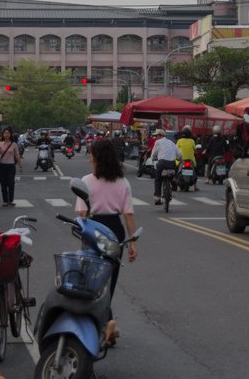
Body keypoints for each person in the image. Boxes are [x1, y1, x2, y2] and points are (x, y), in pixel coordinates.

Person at [75, 138, 138, 345]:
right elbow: (128, 215)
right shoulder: (123, 182)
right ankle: (107, 323)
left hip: (93, 230)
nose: (89, 158)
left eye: (91, 154)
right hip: (115, 232)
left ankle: (104, 324)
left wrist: (82, 231)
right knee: (109, 280)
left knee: (91, 279)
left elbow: (81, 213)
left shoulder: (86, 180)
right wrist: (132, 243)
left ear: (97, 158)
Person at [150, 129, 181, 205]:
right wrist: (179, 158)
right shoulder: (172, 143)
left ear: (161, 136)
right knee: (174, 174)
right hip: (172, 163)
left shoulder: (158, 142)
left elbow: (154, 154)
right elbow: (179, 155)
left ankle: (157, 198)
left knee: (158, 179)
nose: (156, 137)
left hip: (162, 163)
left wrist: (153, 159)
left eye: (157, 135)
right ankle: (174, 182)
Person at [0, 127, 22, 207]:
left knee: (11, 183)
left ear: (10, 134)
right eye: (5, 133)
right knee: (3, 184)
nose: (6, 135)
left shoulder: (14, 144)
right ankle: (5, 201)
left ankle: (11, 200)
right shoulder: (0, 143)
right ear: (3, 134)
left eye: (8, 133)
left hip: (11, 166)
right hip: (2, 166)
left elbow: (17, 155)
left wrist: (20, 165)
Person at [176, 126, 198, 191]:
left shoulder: (179, 141)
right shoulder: (192, 141)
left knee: (175, 170)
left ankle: (174, 185)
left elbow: (175, 149)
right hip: (191, 160)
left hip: (180, 160)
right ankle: (195, 186)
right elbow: (195, 150)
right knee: (195, 171)